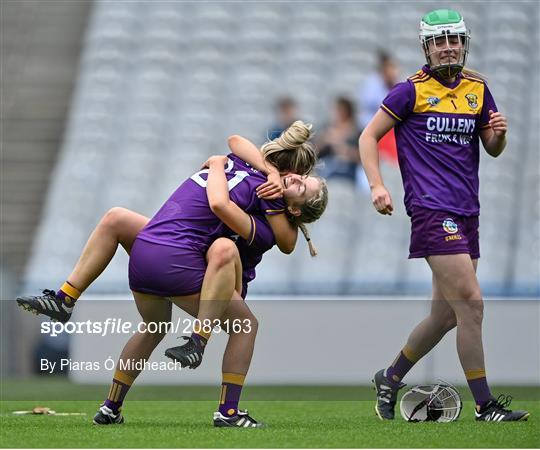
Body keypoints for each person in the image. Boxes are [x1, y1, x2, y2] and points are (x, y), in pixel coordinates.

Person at [18, 121, 328, 427]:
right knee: (243, 319)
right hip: (180, 264)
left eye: (301, 183)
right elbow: (235, 143)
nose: (294, 179)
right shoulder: (252, 174)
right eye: (297, 176)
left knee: (187, 274)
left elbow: (280, 236)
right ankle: (220, 396)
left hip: (168, 264)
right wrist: (260, 172)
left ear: (296, 209)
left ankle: (116, 396)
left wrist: (219, 165)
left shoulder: (260, 205)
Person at [359, 9, 529, 422]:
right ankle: (485, 405)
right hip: (432, 209)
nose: (447, 46)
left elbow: (492, 147)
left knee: (446, 315)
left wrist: (499, 134)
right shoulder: (409, 91)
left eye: (453, 39)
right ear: (426, 47)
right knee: (471, 302)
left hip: (467, 209)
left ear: (463, 42)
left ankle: (391, 375)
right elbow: (368, 136)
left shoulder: (477, 89)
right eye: (439, 41)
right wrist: (378, 185)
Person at [315, 96, 362, 184]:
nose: (338, 113)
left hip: (348, 169)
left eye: (341, 110)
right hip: (326, 166)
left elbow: (362, 157)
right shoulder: (327, 127)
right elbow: (315, 151)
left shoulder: (357, 131)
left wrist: (342, 148)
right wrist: (324, 139)